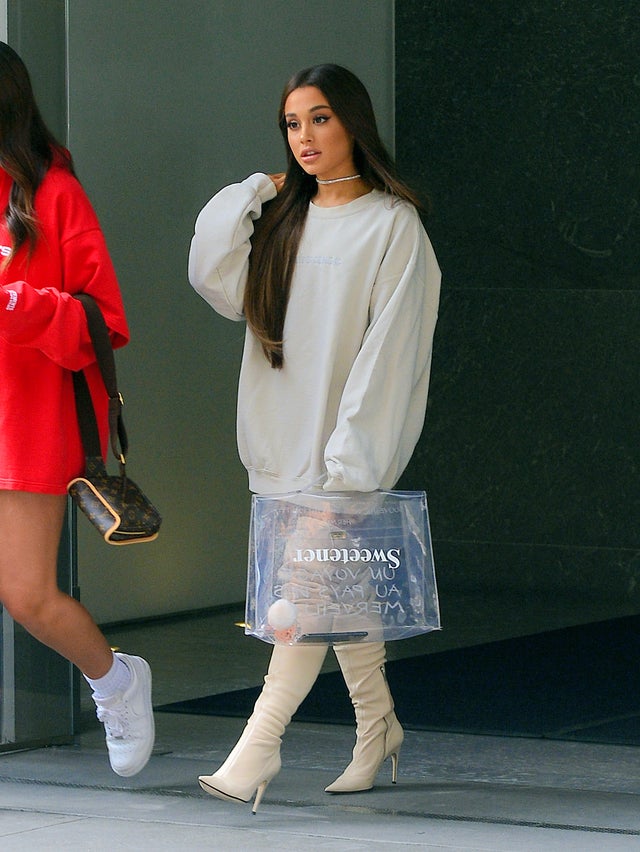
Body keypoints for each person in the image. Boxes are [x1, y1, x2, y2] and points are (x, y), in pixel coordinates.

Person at [188, 63, 441, 811]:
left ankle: (255, 752)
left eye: (321, 119)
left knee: (295, 605)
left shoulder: (395, 226)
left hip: (341, 460)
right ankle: (379, 726)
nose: (305, 137)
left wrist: (351, 469)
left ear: (354, 123)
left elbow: (389, 359)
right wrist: (251, 193)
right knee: (338, 595)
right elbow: (212, 273)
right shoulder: (282, 220)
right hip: (275, 449)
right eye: (293, 123)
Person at [0, 42, 154, 777]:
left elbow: (103, 320)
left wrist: (14, 304)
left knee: (27, 595)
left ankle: (117, 682)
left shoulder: (53, 193)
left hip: (24, 420)